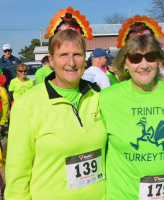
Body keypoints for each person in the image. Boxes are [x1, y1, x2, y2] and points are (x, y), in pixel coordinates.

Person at [5, 7, 106, 200]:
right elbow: (17, 175)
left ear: (85, 60)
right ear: (51, 61)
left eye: (77, 54)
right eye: (63, 55)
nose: (71, 62)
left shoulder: (98, 95)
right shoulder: (27, 105)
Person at [100, 15, 164, 200]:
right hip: (124, 195)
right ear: (125, 64)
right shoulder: (107, 98)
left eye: (151, 57)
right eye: (136, 58)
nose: (144, 65)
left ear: (159, 61)